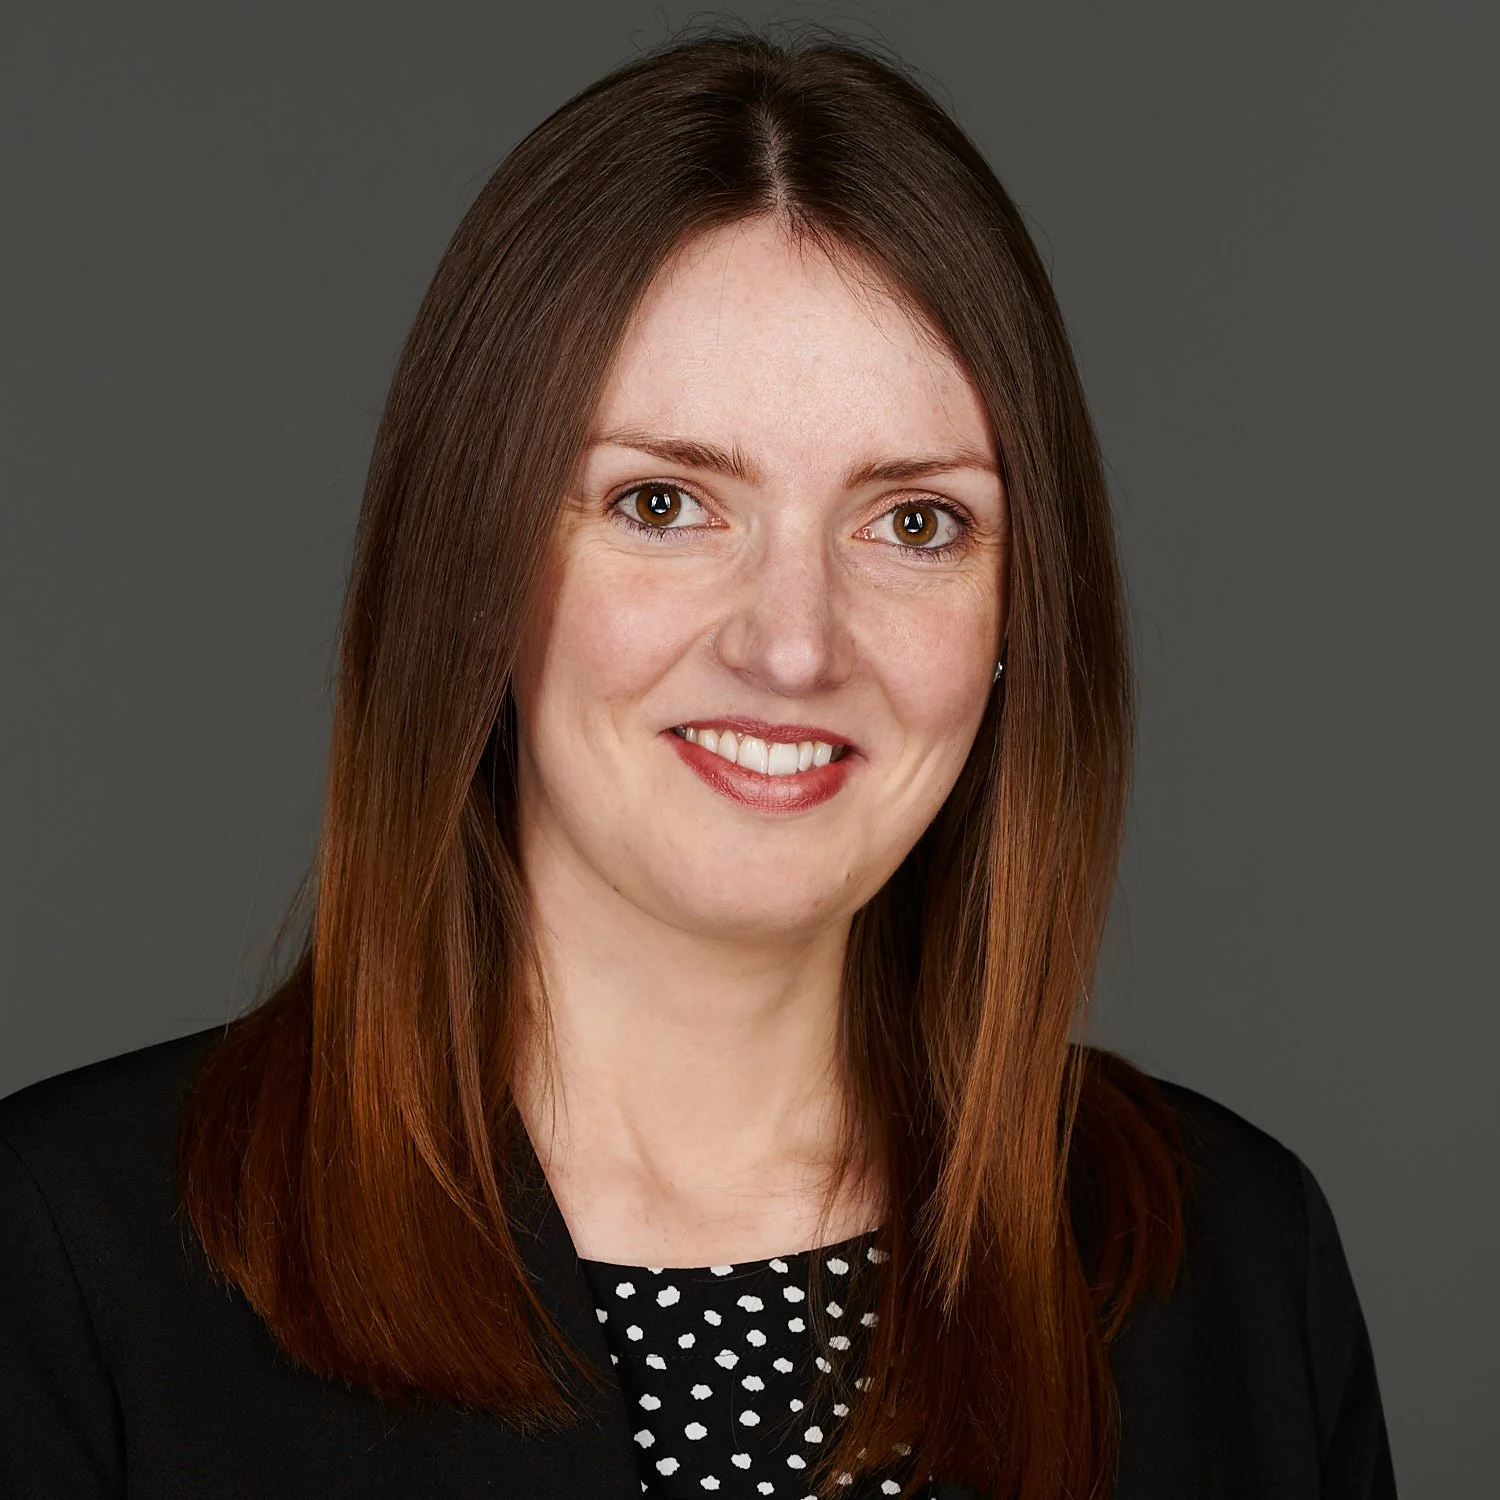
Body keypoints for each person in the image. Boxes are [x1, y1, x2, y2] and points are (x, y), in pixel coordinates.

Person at [0, 27, 1396, 1500]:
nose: (792, 646)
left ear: (1019, 615)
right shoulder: (70, 1265)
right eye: (664, 503)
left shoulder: (1233, 1266)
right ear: (476, 563)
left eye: (914, 522)